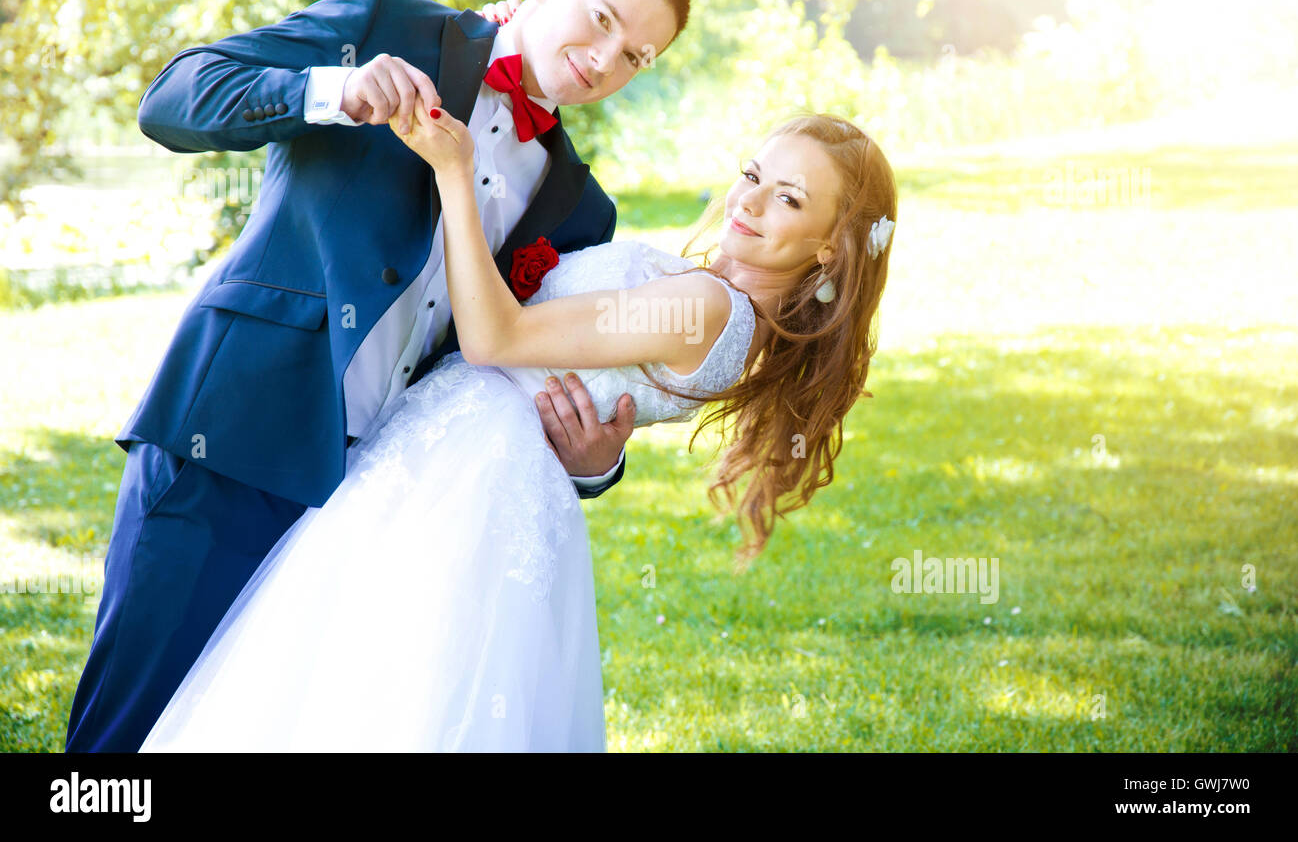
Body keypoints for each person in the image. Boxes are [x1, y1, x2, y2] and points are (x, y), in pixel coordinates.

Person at [65, 0, 691, 752]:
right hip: (230, 436)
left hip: (374, 502)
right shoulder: (384, 20)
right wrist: (330, 90)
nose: (607, 59)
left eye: (637, 57)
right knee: (129, 728)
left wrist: (595, 461)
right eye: (601, 18)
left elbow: (524, 365)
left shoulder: (581, 210)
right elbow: (174, 98)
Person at [139, 108, 898, 751]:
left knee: (367, 687)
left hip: (468, 481)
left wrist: (453, 172)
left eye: (790, 200)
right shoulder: (727, 314)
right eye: (753, 174)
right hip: (467, 466)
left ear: (830, 245)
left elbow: (495, 339)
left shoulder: (710, 309)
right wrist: (596, 464)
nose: (752, 202)